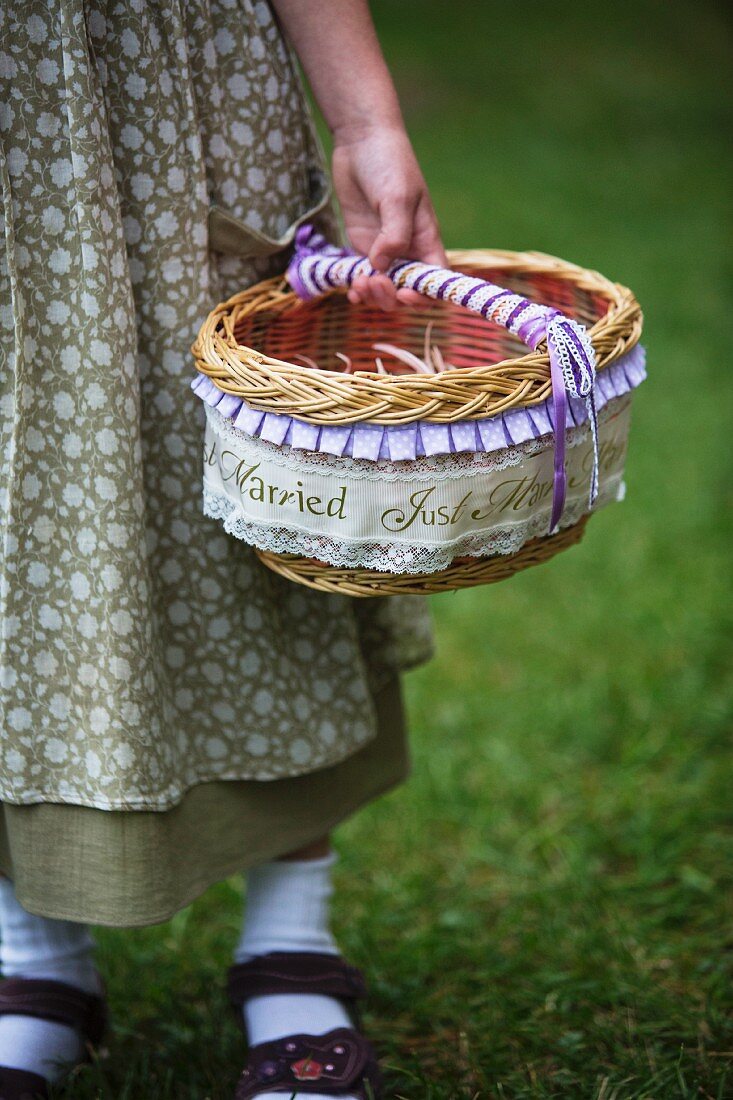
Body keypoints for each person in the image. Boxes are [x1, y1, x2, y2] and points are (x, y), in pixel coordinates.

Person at [0, 1, 446, 1096]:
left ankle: (291, 944)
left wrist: (367, 120)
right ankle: (29, 956)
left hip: (172, 92)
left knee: (241, 501)